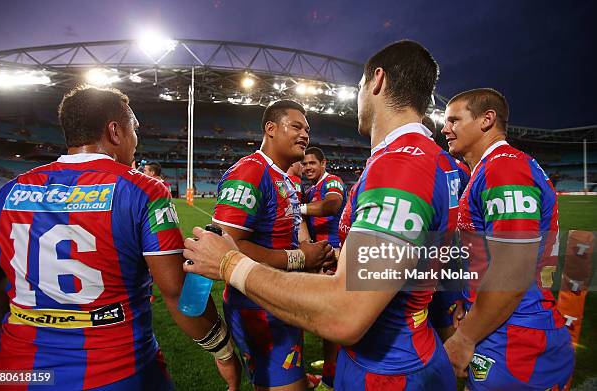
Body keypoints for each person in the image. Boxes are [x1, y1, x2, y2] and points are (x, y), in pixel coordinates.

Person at [183, 40, 459, 390]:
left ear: (376, 81)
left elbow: (346, 312)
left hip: (387, 369)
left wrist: (228, 264)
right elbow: (442, 257)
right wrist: (348, 260)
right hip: (405, 351)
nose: (304, 135)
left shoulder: (399, 165)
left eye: (359, 87)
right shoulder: (440, 162)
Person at [0, 85, 241, 390]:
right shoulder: (143, 189)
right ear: (115, 132)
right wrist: (224, 351)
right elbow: (175, 290)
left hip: (15, 372)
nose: (136, 139)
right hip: (117, 372)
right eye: (134, 129)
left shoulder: (6, 194)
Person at [441, 88, 574, 389]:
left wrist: (464, 337)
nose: (445, 128)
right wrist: (468, 300)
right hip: (502, 327)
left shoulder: (505, 168)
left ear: (487, 120)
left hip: (516, 337)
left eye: (454, 120)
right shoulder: (488, 169)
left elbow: (512, 270)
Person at [210, 99, 335, 390]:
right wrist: (300, 259)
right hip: (257, 305)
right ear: (270, 129)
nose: (305, 134)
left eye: (307, 129)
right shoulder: (250, 172)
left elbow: (286, 237)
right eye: (296, 126)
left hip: (278, 297)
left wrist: (312, 256)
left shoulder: (285, 177)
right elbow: (223, 246)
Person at [300, 146, 346, 389]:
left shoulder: (332, 182)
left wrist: (297, 209)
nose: (308, 167)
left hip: (335, 256)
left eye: (312, 163)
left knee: (334, 320)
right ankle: (331, 365)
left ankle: (332, 378)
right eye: (304, 164)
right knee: (326, 321)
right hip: (322, 256)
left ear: (323, 163)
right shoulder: (310, 189)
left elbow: (332, 206)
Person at [422, 115, 470, 342]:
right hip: (446, 262)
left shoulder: (453, 168)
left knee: (442, 330)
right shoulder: (457, 168)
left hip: (429, 263)